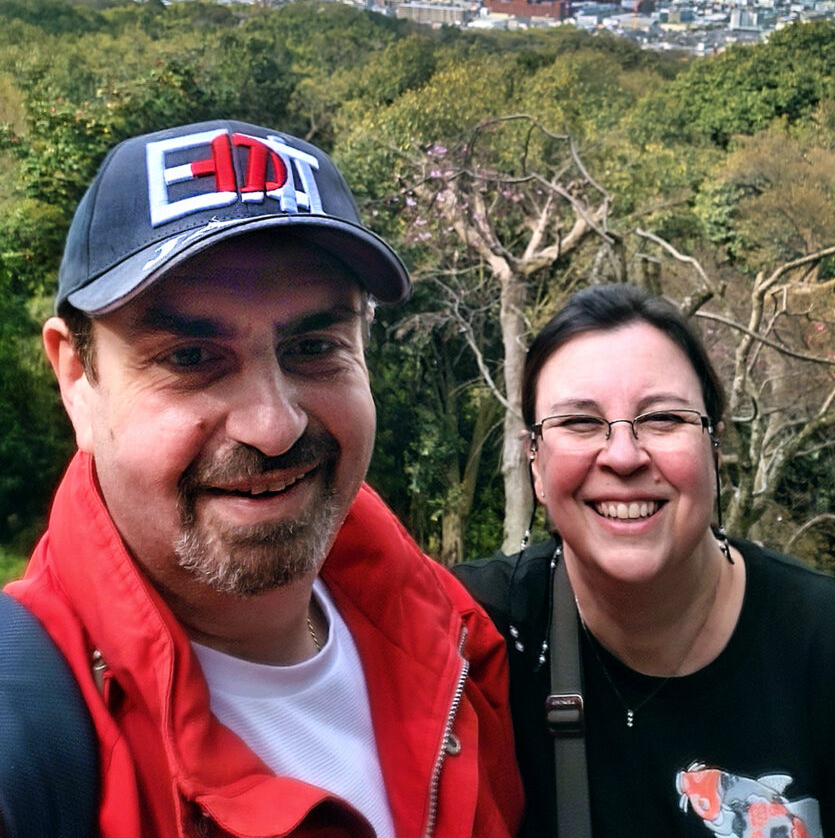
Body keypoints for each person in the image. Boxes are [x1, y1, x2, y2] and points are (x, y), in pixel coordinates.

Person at [4, 121, 522, 838]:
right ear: (76, 382)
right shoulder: (29, 734)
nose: (272, 426)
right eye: (189, 357)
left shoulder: (456, 640)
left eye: (313, 348)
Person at [455, 283, 835, 838]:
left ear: (714, 448)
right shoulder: (479, 636)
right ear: (534, 461)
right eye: (579, 422)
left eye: (663, 419)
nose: (624, 456)